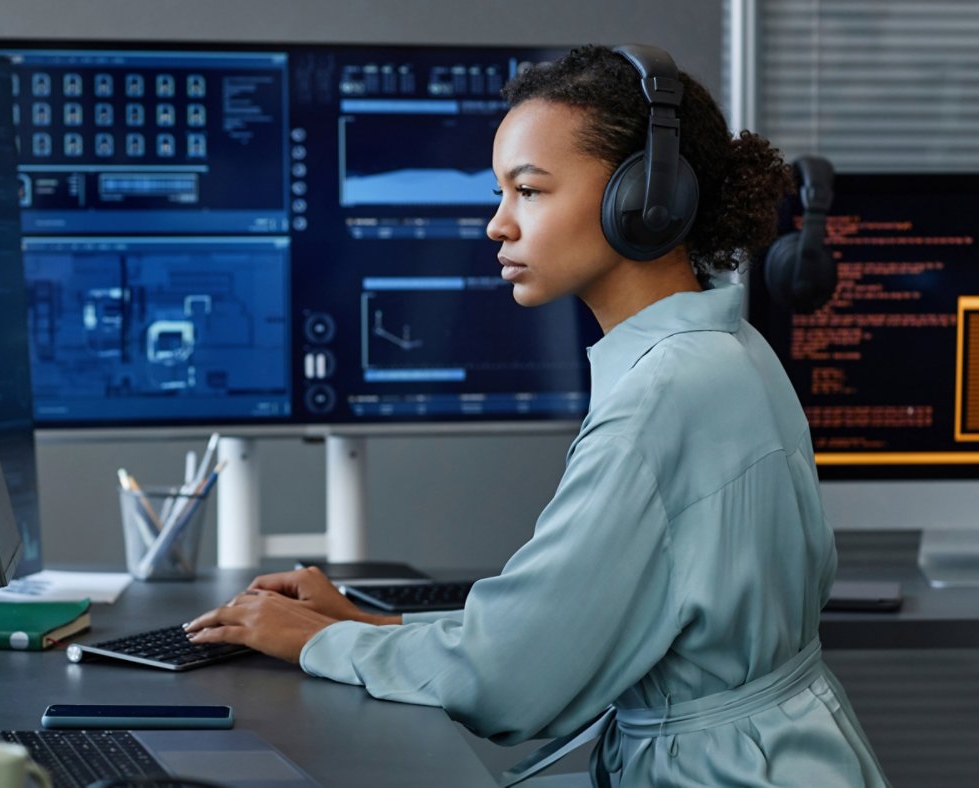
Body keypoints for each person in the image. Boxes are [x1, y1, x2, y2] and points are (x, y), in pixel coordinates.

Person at [185, 44, 889, 786]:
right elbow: (552, 628)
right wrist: (368, 623)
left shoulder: (665, 397)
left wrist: (318, 645)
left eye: (529, 191)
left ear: (647, 201)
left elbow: (508, 683)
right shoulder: (725, 348)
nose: (497, 225)